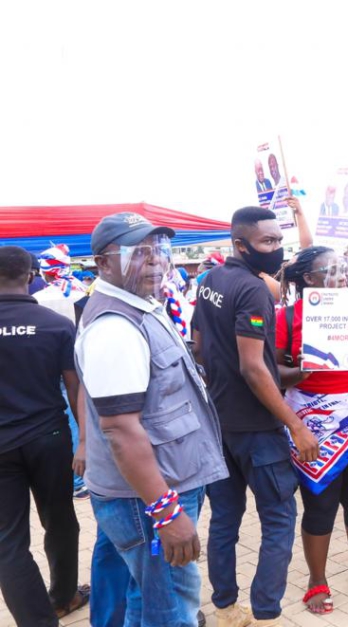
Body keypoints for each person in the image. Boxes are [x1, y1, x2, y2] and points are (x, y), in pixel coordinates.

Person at [76, 213, 228, 626]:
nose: (155, 261)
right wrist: (165, 512)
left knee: (146, 599)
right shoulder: (115, 326)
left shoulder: (140, 306)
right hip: (149, 497)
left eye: (160, 250)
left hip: (153, 488)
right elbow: (121, 430)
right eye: (138, 252)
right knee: (169, 607)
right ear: (103, 262)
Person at [193, 207, 316, 627]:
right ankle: (266, 613)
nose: (277, 249)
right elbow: (252, 367)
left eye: (279, 240)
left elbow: (198, 345)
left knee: (224, 520)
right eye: (267, 242)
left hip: (219, 423)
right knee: (279, 519)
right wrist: (296, 425)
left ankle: (226, 607)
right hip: (258, 430)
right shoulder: (252, 290)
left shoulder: (210, 280)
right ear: (240, 245)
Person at [276, 246, 348, 614]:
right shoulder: (287, 318)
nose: (342, 275)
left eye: (344, 268)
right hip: (312, 422)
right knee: (320, 503)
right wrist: (303, 369)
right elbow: (272, 372)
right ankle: (316, 579)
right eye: (331, 269)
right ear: (309, 279)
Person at [0, 246, 90, 626]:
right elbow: (76, 389)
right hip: (50, 437)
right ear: (31, 274)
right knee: (61, 520)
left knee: (7, 542)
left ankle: (38, 619)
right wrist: (85, 440)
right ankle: (64, 595)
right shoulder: (55, 323)